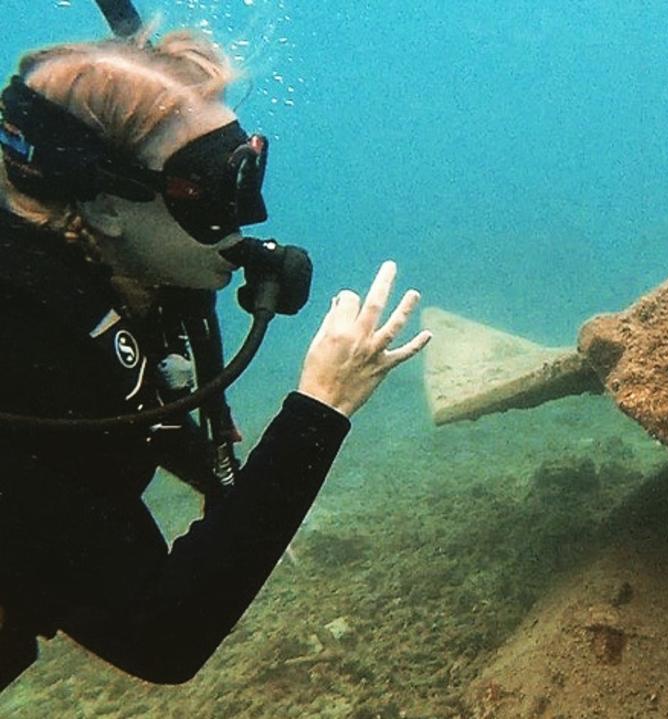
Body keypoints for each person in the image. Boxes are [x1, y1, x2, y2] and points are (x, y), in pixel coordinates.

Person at [0, 29, 431, 687]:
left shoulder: (113, 268)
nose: (247, 216)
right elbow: (162, 636)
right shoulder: (21, 353)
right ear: (105, 205)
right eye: (206, 187)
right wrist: (321, 406)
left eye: (243, 170)